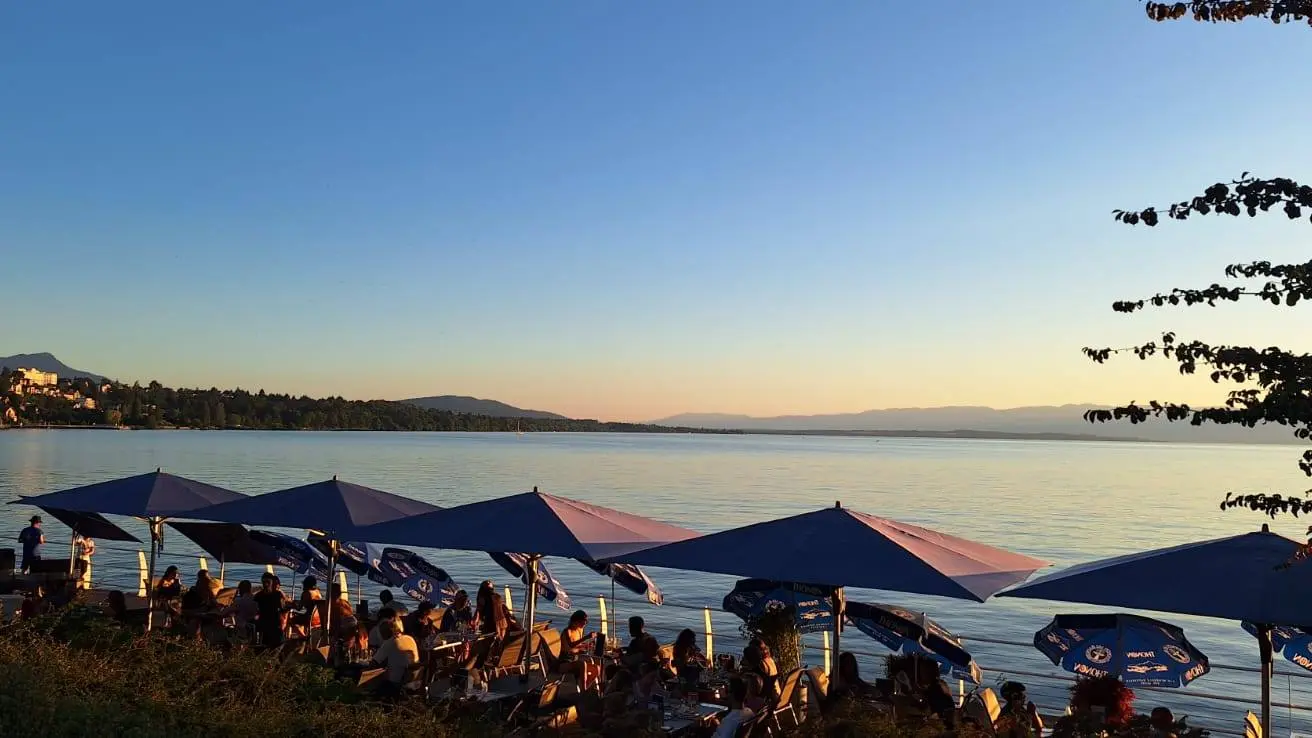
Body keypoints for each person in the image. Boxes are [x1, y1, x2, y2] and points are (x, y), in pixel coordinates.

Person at [370, 618, 419, 696]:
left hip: (395, 684)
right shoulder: (409, 638)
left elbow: (373, 663)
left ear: (385, 632)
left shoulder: (390, 642)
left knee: (370, 682)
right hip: (413, 679)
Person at [559, 609, 601, 689]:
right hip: (564, 662)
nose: (584, 624)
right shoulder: (567, 631)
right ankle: (583, 690)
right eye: (583, 622)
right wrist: (586, 637)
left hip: (574, 659)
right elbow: (571, 645)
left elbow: (578, 645)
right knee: (582, 664)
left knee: (596, 668)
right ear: (576, 621)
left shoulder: (579, 630)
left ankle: (586, 687)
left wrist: (587, 644)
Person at [253, 573, 289, 647]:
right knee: (277, 642)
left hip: (265, 623)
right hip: (274, 623)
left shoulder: (258, 595)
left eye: (267, 582)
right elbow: (283, 609)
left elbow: (256, 611)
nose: (266, 584)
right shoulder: (277, 595)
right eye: (264, 582)